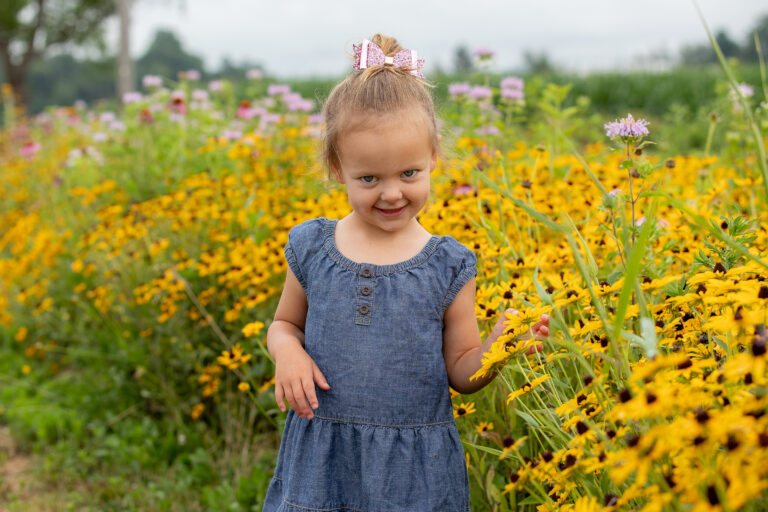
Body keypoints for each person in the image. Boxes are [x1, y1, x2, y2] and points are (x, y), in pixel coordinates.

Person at [262, 34, 549, 512]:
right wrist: (287, 352)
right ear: (337, 168)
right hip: (322, 458)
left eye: (409, 174)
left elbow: (461, 370)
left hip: (415, 469)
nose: (392, 193)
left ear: (434, 157)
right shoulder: (313, 246)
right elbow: (284, 324)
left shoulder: (448, 265)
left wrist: (498, 349)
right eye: (369, 179)